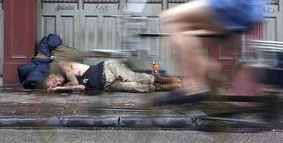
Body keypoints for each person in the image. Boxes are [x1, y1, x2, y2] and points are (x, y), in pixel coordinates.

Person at [43, 60, 182, 93]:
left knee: (135, 77)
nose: (56, 85)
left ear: (52, 75)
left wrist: (62, 89)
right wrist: (60, 89)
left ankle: (164, 79)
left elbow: (74, 82)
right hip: (107, 84)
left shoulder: (63, 65)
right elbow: (80, 87)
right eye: (54, 86)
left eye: (53, 82)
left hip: (108, 68)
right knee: (135, 87)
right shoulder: (66, 85)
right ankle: (163, 87)